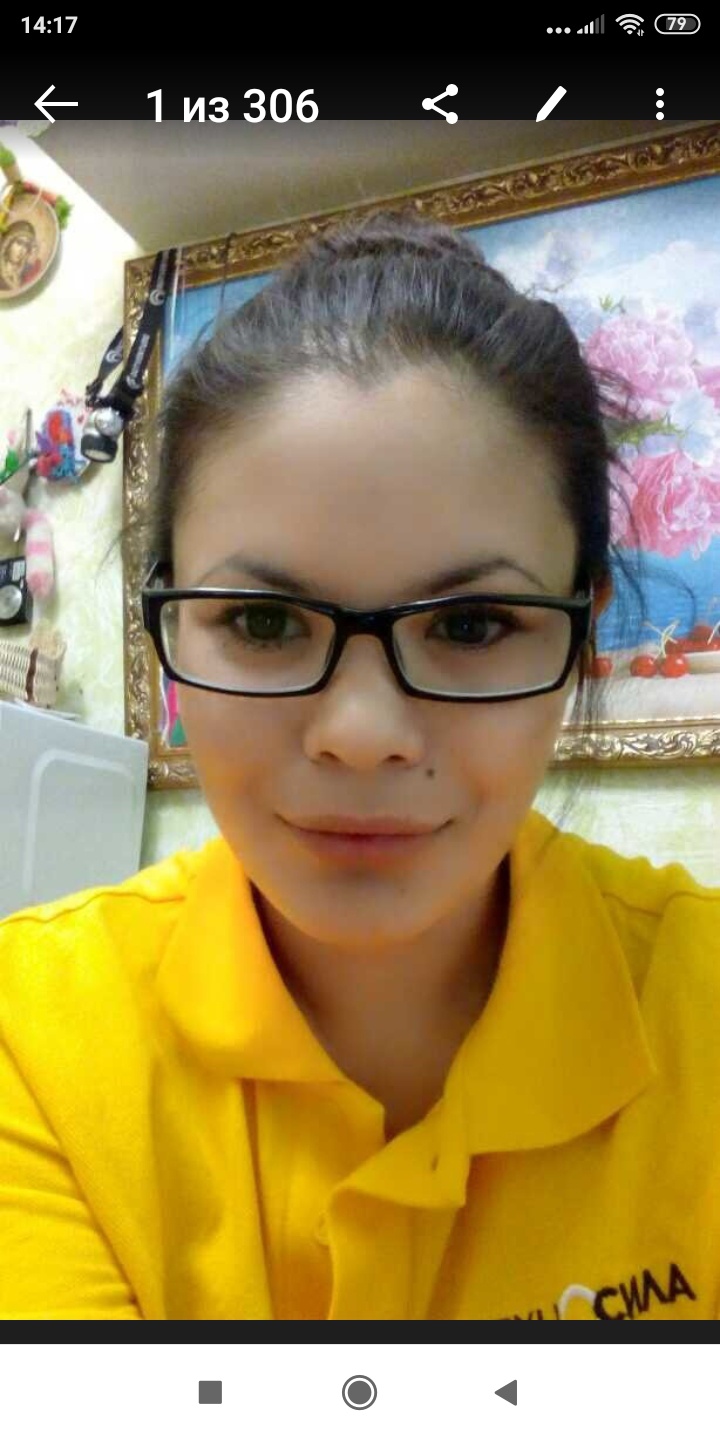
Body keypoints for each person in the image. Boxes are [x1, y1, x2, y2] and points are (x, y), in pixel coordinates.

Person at [0, 208, 718, 1322]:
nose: (362, 732)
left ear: (583, 636)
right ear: (168, 633)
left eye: (472, 625)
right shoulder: (31, 1040)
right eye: (264, 622)